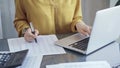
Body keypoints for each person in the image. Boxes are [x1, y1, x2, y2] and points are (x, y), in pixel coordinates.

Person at [14, 0, 91, 42]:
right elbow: (20, 20)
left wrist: (78, 24)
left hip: (69, 46)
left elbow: (76, 18)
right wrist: (26, 30)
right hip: (39, 46)